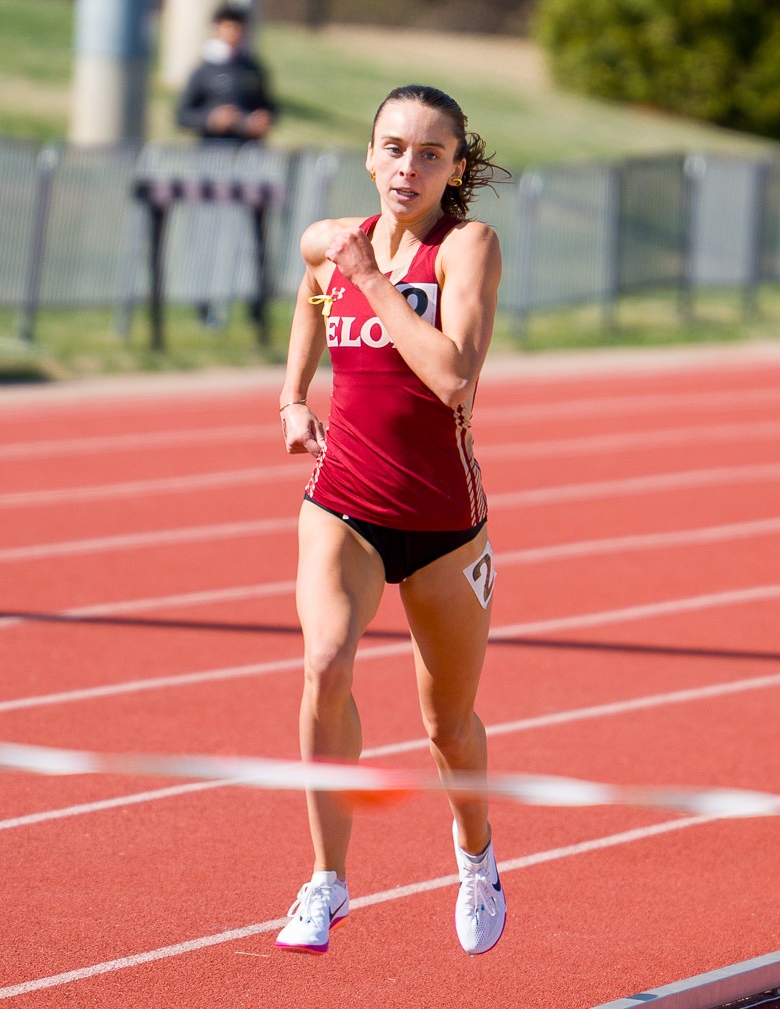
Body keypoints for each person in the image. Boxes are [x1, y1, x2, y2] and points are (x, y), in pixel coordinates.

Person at [274, 84, 506, 956]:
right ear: (370, 156)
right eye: (394, 148)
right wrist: (294, 395)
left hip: (445, 520)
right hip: (346, 502)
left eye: (431, 153)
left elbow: (453, 376)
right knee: (324, 661)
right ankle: (327, 879)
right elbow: (310, 284)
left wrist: (372, 280)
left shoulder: (467, 247)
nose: (409, 166)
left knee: (447, 722)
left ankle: (477, 857)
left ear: (454, 167)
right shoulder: (335, 242)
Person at [176, 5, 277, 144]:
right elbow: (183, 116)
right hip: (214, 153)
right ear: (216, 29)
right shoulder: (203, 71)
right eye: (229, 28)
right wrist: (212, 119)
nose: (234, 34)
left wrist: (263, 119)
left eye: (238, 28)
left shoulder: (253, 69)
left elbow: (269, 108)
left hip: (249, 152)